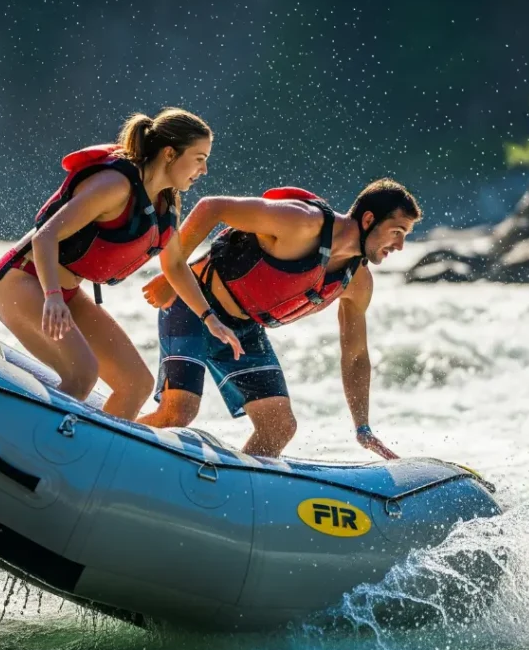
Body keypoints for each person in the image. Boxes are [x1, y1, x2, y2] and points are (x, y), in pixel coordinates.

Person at [137, 179, 421, 457]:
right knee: (179, 411)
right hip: (194, 304)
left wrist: (363, 427)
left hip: (242, 330)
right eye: (397, 231)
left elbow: (356, 355)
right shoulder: (302, 223)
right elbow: (212, 207)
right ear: (369, 219)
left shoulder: (357, 282)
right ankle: (112, 443)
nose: (400, 245)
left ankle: (232, 492)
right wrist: (170, 271)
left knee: (279, 427)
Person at [0, 108, 243, 419]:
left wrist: (209, 319)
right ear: (169, 154)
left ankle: (89, 458)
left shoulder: (168, 202)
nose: (204, 169)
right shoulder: (115, 185)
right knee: (82, 374)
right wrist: (53, 297)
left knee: (136, 384)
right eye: (199, 157)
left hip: (65, 293)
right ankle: (26, 440)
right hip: (24, 281)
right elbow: (46, 237)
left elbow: (175, 266)